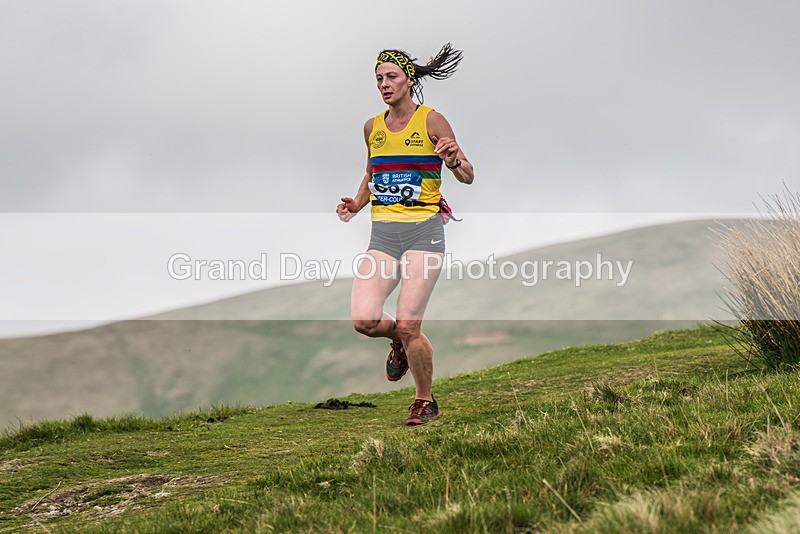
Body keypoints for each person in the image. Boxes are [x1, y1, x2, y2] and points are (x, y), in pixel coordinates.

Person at [336, 43, 474, 426]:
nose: (384, 84)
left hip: (423, 234)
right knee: (364, 320)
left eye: (391, 77)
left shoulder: (432, 121)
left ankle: (424, 400)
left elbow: (467, 175)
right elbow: (372, 172)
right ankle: (398, 340)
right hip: (382, 236)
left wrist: (453, 160)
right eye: (378, 79)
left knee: (410, 322)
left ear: (409, 80)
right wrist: (356, 204)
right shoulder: (372, 128)